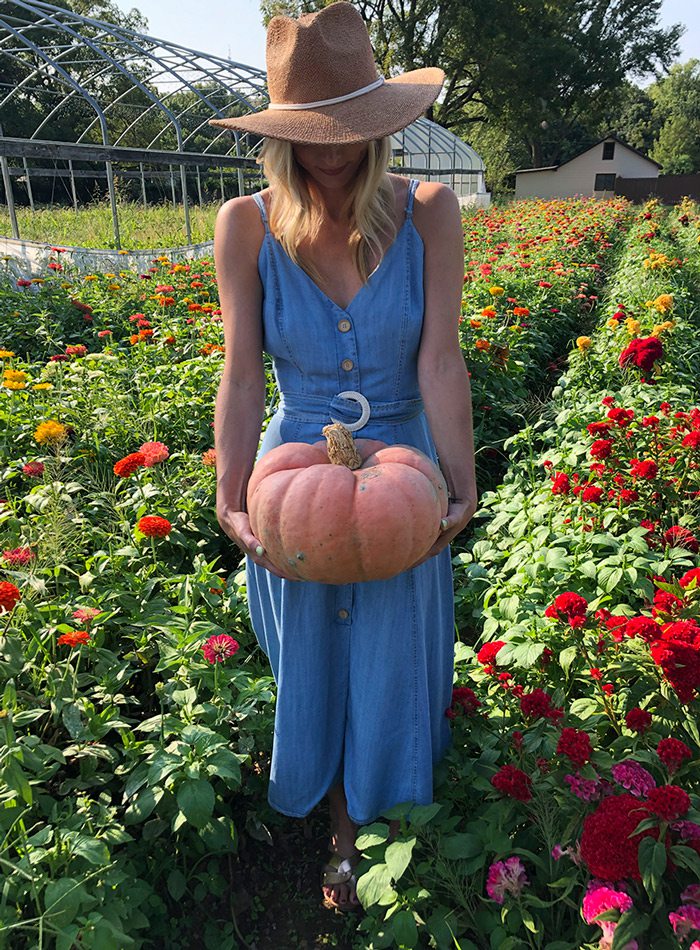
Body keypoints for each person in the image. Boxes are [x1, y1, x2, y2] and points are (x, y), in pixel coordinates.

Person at [209, 1, 477, 913]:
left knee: (396, 651)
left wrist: (462, 479)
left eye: (347, 133)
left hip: (401, 463)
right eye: (311, 136)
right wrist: (227, 491)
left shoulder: (431, 213)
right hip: (294, 472)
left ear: (380, 125)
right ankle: (336, 825)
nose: (331, 153)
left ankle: (387, 827)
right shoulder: (245, 224)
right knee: (316, 654)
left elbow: (440, 357)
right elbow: (243, 376)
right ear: (280, 137)